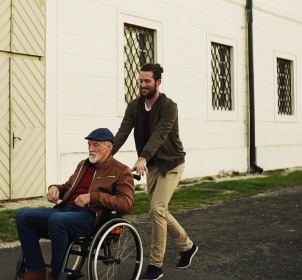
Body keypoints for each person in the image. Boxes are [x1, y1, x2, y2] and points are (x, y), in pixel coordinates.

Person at [112, 63, 197, 280]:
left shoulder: (169, 107)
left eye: (147, 81)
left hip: (171, 164)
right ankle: (187, 246)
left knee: (157, 210)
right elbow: (122, 132)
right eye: (140, 81)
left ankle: (155, 265)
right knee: (160, 211)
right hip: (152, 166)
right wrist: (105, 155)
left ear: (158, 82)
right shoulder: (134, 106)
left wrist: (142, 157)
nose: (142, 85)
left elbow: (159, 134)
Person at [15, 128, 135, 280]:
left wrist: (93, 197)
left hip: (91, 216)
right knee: (23, 216)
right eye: (89, 145)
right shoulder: (83, 165)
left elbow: (126, 203)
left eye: (96, 145)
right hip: (66, 210)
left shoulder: (121, 170)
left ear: (109, 147)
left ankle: (56, 275)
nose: (91, 149)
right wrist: (54, 188)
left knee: (57, 221)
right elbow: (67, 187)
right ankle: (36, 271)